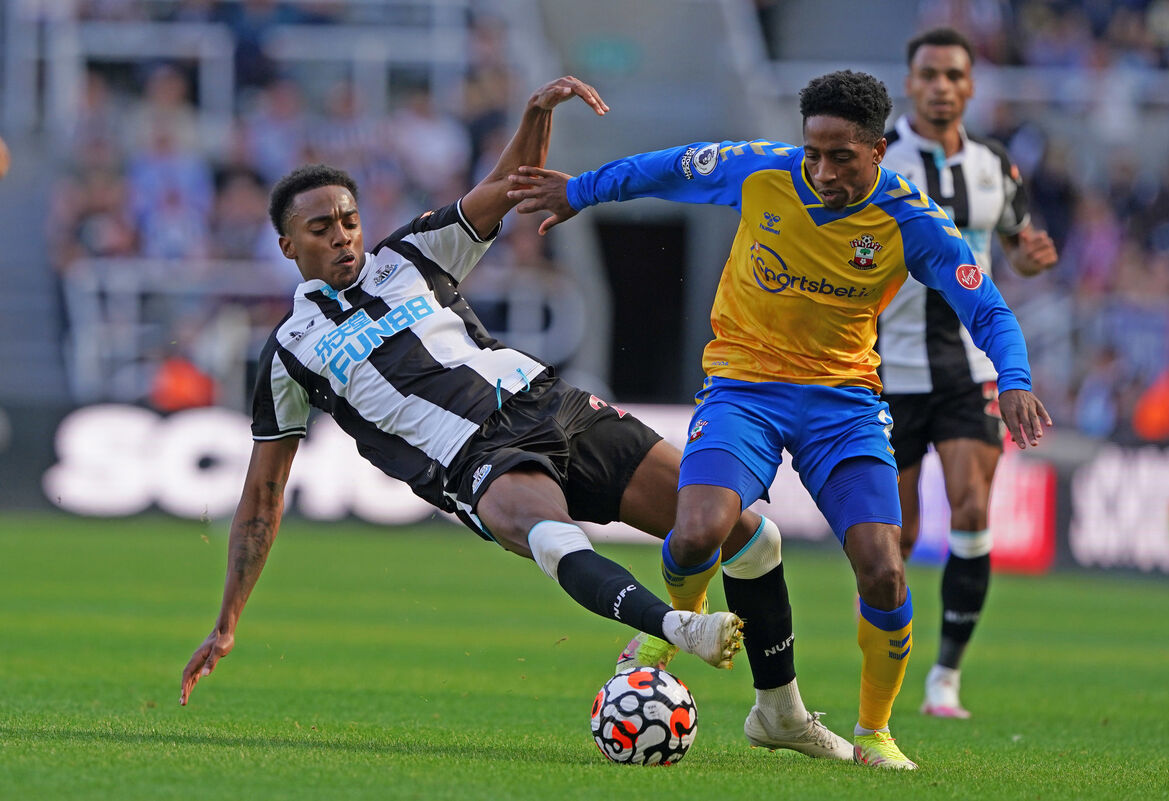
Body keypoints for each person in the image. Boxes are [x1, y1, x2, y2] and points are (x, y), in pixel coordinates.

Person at [507, 69, 1052, 770]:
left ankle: (874, 733)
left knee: (884, 573)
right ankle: (673, 626)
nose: (822, 172)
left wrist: (1014, 380)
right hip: (745, 389)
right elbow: (669, 168)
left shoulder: (911, 220)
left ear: (878, 151)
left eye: (841, 158)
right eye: (813, 154)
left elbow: (989, 309)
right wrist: (581, 191)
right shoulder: (760, 170)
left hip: (843, 406)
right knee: (695, 531)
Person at [179, 76, 754, 710]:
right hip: (472, 456)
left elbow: (509, 186)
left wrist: (535, 112)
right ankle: (673, 628)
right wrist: (227, 621)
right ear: (288, 246)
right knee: (551, 537)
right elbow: (263, 493)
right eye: (321, 228)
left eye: (349, 220)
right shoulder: (290, 350)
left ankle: (783, 709)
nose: (342, 236)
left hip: (546, 400)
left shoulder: (410, 255)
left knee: (736, 526)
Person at [876, 27, 1058, 719]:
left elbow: (1015, 244)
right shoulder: (876, 158)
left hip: (970, 369)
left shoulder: (995, 165)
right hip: (885, 371)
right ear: (910, 82)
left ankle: (945, 677)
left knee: (973, 508)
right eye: (929, 74)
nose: (941, 86)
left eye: (954, 75)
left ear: (971, 86)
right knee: (892, 536)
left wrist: (1029, 259)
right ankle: (886, 671)